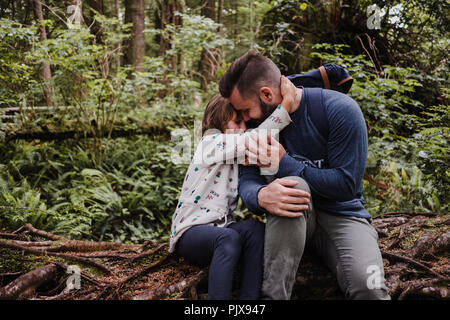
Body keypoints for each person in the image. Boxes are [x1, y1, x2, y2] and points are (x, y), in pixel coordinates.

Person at [218, 50, 391, 300]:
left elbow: (347, 184)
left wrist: (284, 163)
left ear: (266, 94)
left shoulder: (339, 110)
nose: (244, 120)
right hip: (288, 223)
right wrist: (260, 195)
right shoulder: (257, 128)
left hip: (343, 216)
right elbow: (247, 180)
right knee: (293, 185)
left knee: (370, 286)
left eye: (245, 110)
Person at [168, 77, 298, 300]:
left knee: (255, 231)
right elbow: (257, 138)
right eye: (237, 123)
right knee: (227, 239)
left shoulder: (236, 155)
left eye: (244, 124)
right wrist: (285, 106)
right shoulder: (211, 143)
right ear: (218, 122)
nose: (243, 128)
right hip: (190, 233)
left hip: (222, 229)